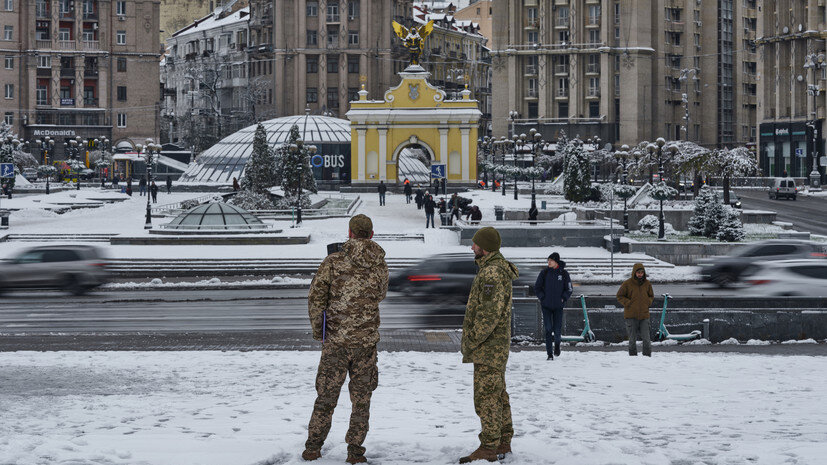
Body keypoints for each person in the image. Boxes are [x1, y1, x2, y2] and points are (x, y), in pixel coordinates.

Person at [303, 214, 389, 464]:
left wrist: (320, 332)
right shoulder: (379, 263)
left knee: (326, 398)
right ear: (371, 234)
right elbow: (380, 295)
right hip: (366, 344)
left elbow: (316, 299)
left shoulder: (333, 261)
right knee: (361, 401)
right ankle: (355, 451)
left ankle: (313, 448)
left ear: (349, 233)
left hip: (336, 343)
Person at [460, 227, 518, 463]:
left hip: (488, 348)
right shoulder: (493, 269)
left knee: (486, 398)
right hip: (494, 347)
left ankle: (489, 447)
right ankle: (503, 440)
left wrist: (471, 341)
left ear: (484, 248)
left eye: (475, 244)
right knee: (497, 394)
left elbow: (488, 315)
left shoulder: (492, 273)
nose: (472, 248)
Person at [534, 252, 573, 360]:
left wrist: (563, 298)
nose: (549, 262)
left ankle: (557, 345)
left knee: (557, 329)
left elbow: (569, 289)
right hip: (546, 306)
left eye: (551, 260)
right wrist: (542, 298)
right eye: (548, 260)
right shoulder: (544, 273)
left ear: (556, 261)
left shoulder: (564, 274)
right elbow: (537, 287)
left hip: (558, 307)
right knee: (548, 329)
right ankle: (549, 354)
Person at [616, 263, 654, 357]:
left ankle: (647, 358)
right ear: (634, 273)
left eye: (642, 272)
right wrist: (628, 303)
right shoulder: (627, 283)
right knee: (632, 340)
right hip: (631, 316)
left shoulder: (647, 283)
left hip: (644, 316)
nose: (640, 274)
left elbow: (651, 296)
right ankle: (633, 359)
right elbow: (619, 296)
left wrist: (648, 302)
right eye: (638, 272)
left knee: (647, 339)